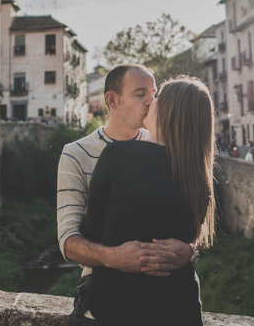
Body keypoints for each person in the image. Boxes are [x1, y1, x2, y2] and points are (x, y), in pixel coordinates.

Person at [57, 65, 194, 325]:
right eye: (140, 93)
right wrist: (115, 258)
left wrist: (191, 251)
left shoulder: (166, 145)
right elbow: (68, 241)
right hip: (102, 291)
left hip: (163, 297)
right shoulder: (75, 153)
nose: (151, 102)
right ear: (112, 99)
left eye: (153, 93)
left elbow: (193, 226)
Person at [80, 76, 216, 326]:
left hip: (119, 308)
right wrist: (190, 252)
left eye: (158, 97)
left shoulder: (118, 153)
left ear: (169, 112)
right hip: (180, 309)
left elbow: (90, 232)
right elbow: (194, 239)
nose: (151, 101)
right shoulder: (198, 175)